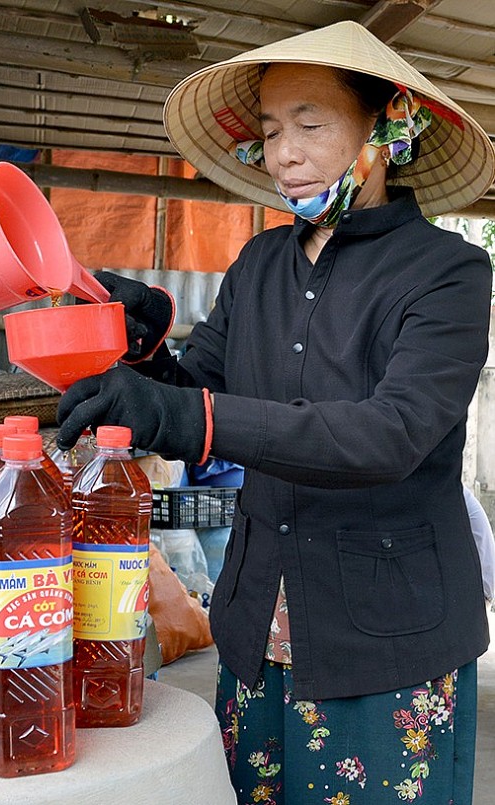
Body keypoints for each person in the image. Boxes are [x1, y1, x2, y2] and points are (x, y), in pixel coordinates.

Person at [56, 20, 495, 804]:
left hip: (386, 636)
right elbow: (196, 388)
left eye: (309, 124)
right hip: (257, 623)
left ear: (386, 126)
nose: (283, 152)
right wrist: (143, 344)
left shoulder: (448, 272)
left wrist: (179, 410)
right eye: (268, 131)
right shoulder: (258, 264)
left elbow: (388, 435)